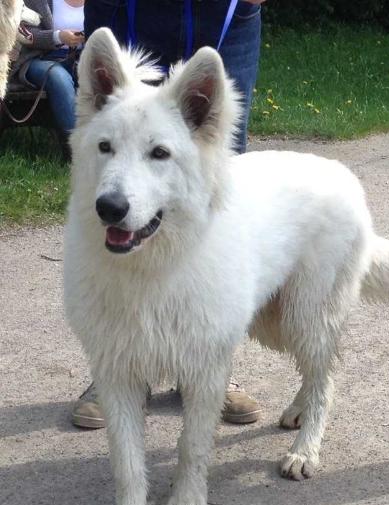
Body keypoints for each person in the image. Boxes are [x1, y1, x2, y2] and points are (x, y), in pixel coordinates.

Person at [72, 0, 266, 429]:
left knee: (205, 185)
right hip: (129, 8)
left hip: (225, 14)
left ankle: (208, 365)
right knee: (120, 144)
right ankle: (119, 373)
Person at [10, 0, 85, 152]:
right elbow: (27, 35)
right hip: (41, 59)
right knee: (58, 78)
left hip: (82, 58)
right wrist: (59, 37)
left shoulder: (102, 4)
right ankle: (78, 150)